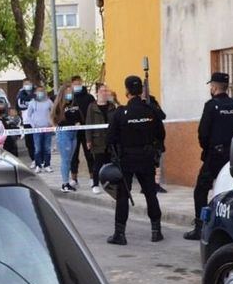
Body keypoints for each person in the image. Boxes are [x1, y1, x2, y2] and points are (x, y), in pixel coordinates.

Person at [184, 72, 233, 240]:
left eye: (211, 86)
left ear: (214, 87)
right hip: (232, 155)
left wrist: (208, 148)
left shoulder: (211, 106)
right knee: (231, 191)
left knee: (201, 190)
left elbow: (203, 133)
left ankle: (200, 227)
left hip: (215, 155)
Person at [106, 75, 166, 245]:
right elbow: (161, 135)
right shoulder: (151, 111)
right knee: (150, 194)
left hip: (127, 159)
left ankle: (120, 234)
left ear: (126, 91)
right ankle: (156, 231)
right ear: (140, 91)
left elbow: (110, 138)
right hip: (146, 158)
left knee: (123, 195)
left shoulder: (120, 113)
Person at [86, 83, 116, 194]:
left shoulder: (112, 106)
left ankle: (109, 183)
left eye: (106, 91)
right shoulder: (92, 107)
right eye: (102, 90)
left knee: (110, 163)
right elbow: (88, 123)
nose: (105, 93)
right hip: (97, 139)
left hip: (110, 139)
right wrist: (88, 140)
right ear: (97, 92)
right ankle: (95, 184)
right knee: (97, 163)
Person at [52, 84, 83, 192]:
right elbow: (58, 120)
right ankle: (65, 184)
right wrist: (71, 124)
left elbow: (79, 116)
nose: (70, 94)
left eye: (71, 92)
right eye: (67, 92)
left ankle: (68, 182)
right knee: (65, 160)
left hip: (74, 134)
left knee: (70, 159)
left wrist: (78, 122)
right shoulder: (59, 105)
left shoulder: (75, 104)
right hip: (64, 134)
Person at [68, 75, 96, 187]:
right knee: (73, 155)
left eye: (79, 83)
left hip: (86, 130)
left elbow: (94, 111)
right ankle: (74, 178)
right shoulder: (69, 98)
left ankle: (93, 177)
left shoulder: (89, 97)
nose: (77, 86)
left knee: (89, 154)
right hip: (73, 130)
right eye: (75, 84)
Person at [27, 85, 54, 173]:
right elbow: (29, 115)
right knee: (38, 148)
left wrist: (51, 123)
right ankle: (38, 165)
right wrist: (33, 125)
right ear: (35, 92)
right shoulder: (32, 102)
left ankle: (47, 165)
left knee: (47, 147)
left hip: (47, 128)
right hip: (37, 129)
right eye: (39, 91)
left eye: (42, 90)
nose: (41, 92)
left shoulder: (49, 102)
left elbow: (53, 112)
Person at [17, 78, 37, 168]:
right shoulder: (20, 94)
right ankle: (33, 159)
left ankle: (41, 160)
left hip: (37, 121)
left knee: (38, 141)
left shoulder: (36, 93)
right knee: (29, 142)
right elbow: (20, 105)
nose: (27, 85)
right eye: (25, 84)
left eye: (29, 83)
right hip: (26, 121)